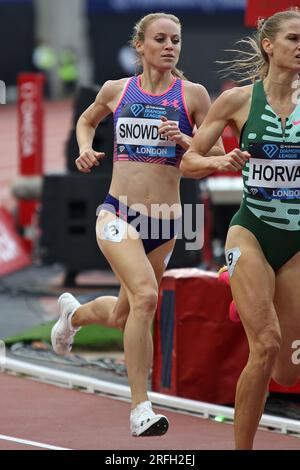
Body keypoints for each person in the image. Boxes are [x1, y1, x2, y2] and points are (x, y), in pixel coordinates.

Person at [51, 12, 223, 437]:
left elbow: (213, 156)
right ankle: (140, 408)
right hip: (117, 215)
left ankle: (72, 317)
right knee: (147, 297)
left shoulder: (194, 96)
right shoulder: (116, 90)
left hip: (165, 222)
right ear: (140, 45)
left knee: (125, 313)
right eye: (160, 39)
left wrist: (185, 140)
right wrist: (86, 148)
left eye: (176, 40)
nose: (170, 46)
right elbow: (87, 120)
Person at [180, 9, 300, 449]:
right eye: (292, 38)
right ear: (269, 45)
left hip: (297, 241)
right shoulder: (237, 102)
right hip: (252, 230)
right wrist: (218, 161)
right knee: (265, 346)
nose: (299, 45)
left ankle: (247, 293)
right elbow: (190, 161)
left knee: (288, 370)